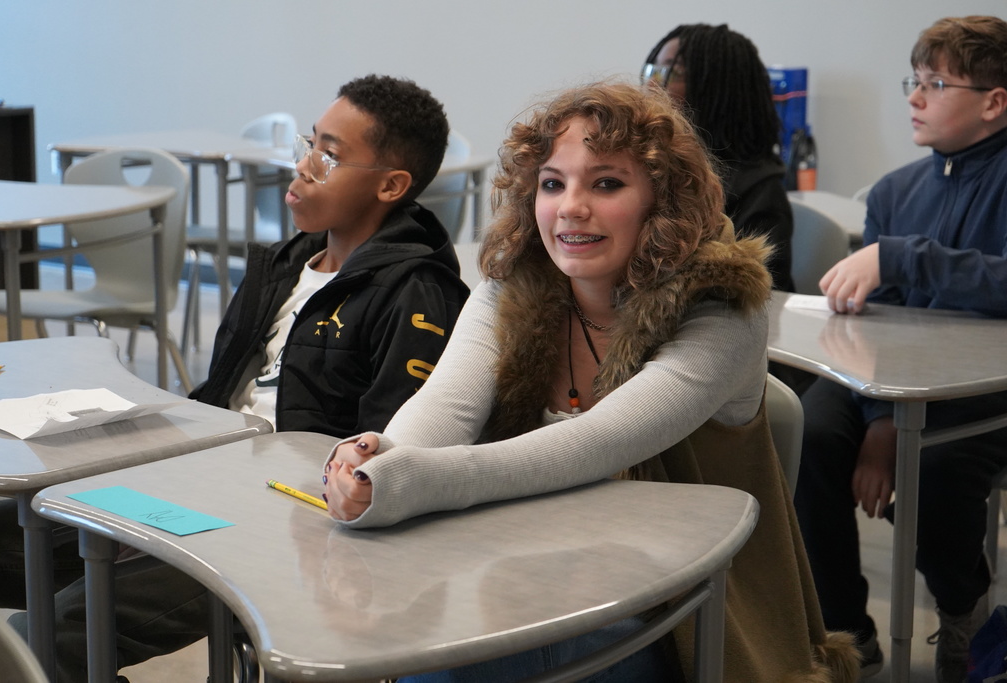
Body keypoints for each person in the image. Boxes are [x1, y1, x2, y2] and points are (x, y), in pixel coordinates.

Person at [324, 82, 858, 682]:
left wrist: (407, 482)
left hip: (687, 606)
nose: (570, 207)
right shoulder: (514, 286)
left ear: (665, 201)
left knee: (444, 662)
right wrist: (378, 457)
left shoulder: (723, 307)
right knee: (401, 636)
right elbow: (445, 409)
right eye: (552, 183)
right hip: (528, 577)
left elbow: (593, 445)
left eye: (606, 184)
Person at [0, 73, 471, 683]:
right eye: (308, 143)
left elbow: (388, 453)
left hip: (275, 529)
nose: (303, 166)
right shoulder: (285, 264)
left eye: (330, 156)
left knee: (35, 645)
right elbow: (218, 397)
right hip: (197, 481)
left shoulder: (417, 292)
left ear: (391, 185)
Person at [792, 16, 1007, 683]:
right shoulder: (892, 193)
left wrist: (905, 256)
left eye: (935, 83)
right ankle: (846, 634)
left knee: (938, 465)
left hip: (983, 388)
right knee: (808, 432)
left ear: (995, 102)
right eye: (913, 81)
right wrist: (880, 422)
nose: (914, 97)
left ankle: (962, 604)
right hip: (880, 377)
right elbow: (870, 323)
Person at [641, 23, 795, 294]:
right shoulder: (647, 168)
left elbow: (753, 297)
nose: (651, 83)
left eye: (671, 72)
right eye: (652, 69)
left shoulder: (759, 192)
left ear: (717, 88)